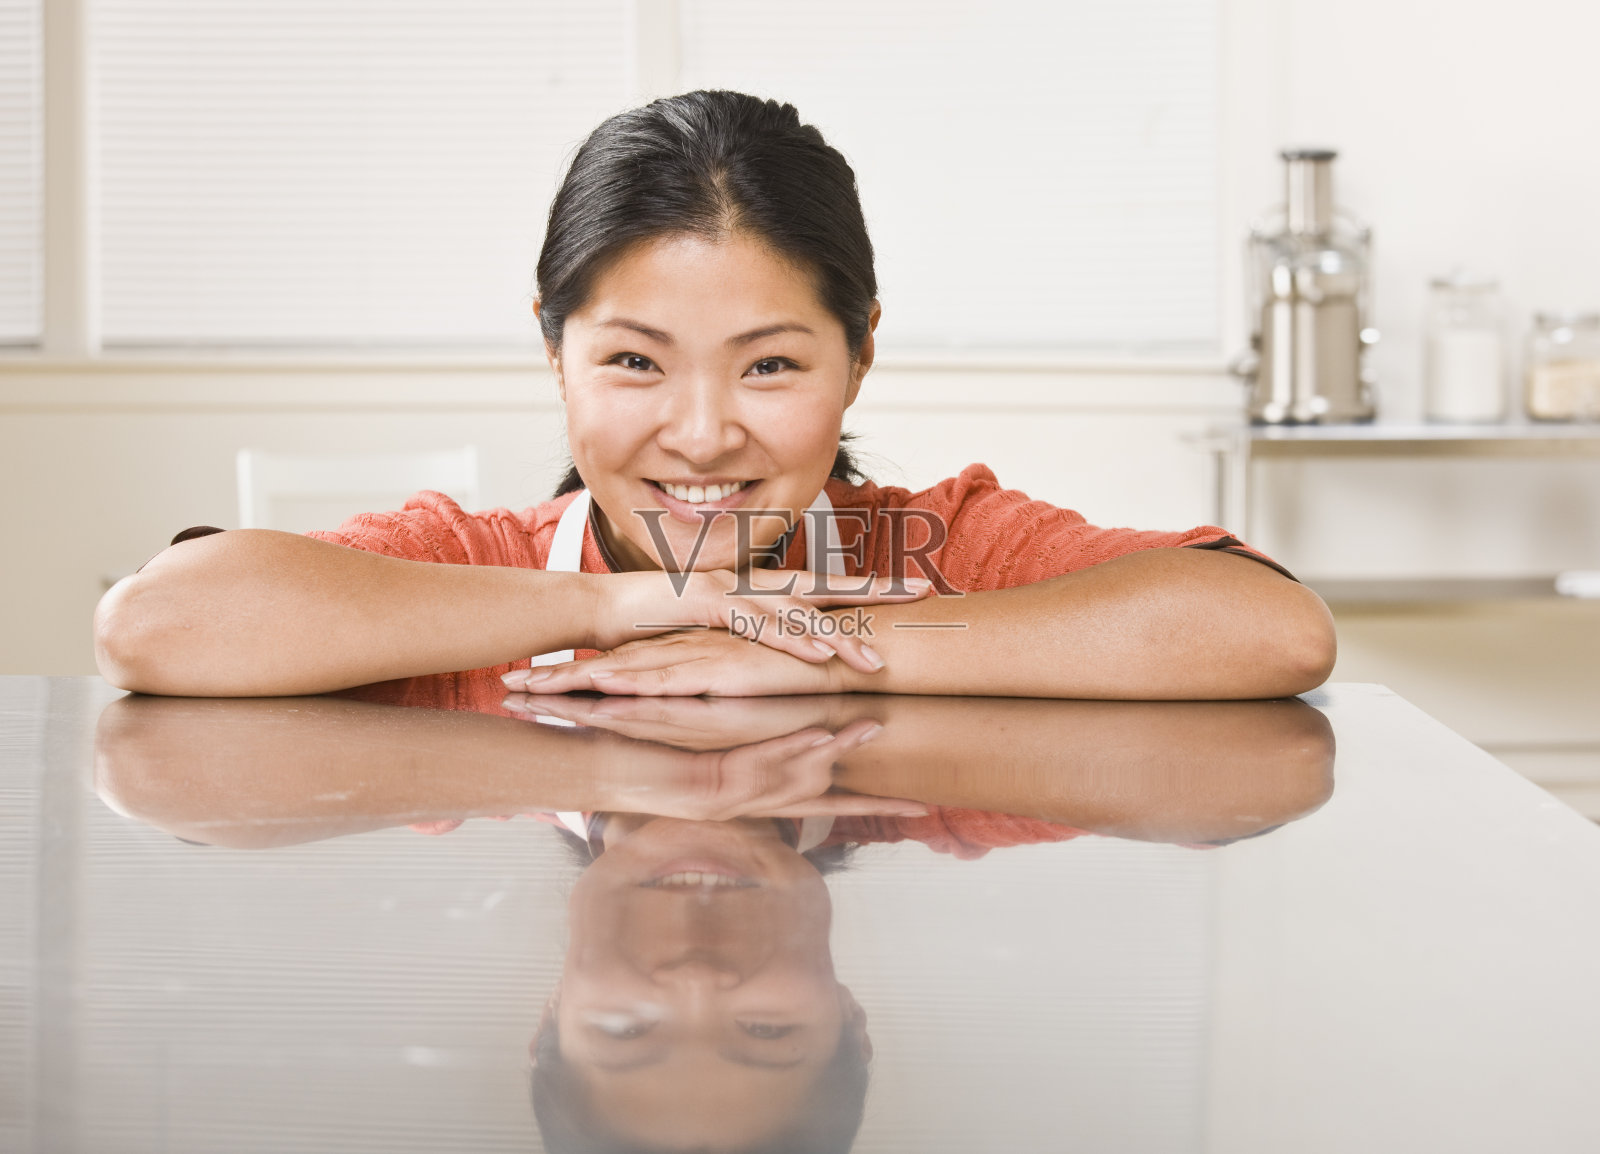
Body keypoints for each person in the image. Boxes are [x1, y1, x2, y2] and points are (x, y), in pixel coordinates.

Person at [93, 90, 1336, 700]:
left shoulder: (937, 549)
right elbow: (159, 625)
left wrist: (824, 646)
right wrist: (620, 600)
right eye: (634, 360)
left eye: (772, 363)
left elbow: (1269, 627)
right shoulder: (473, 568)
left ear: (860, 354)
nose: (699, 431)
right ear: (553, 351)